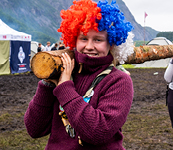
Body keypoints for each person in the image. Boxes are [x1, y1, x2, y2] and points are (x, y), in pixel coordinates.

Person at [24, 0, 134, 149]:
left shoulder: (119, 81)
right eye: (83, 38)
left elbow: (97, 132)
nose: (89, 46)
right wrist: (47, 83)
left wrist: (65, 88)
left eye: (98, 40)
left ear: (111, 44)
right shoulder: (62, 72)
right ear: (74, 39)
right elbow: (34, 129)